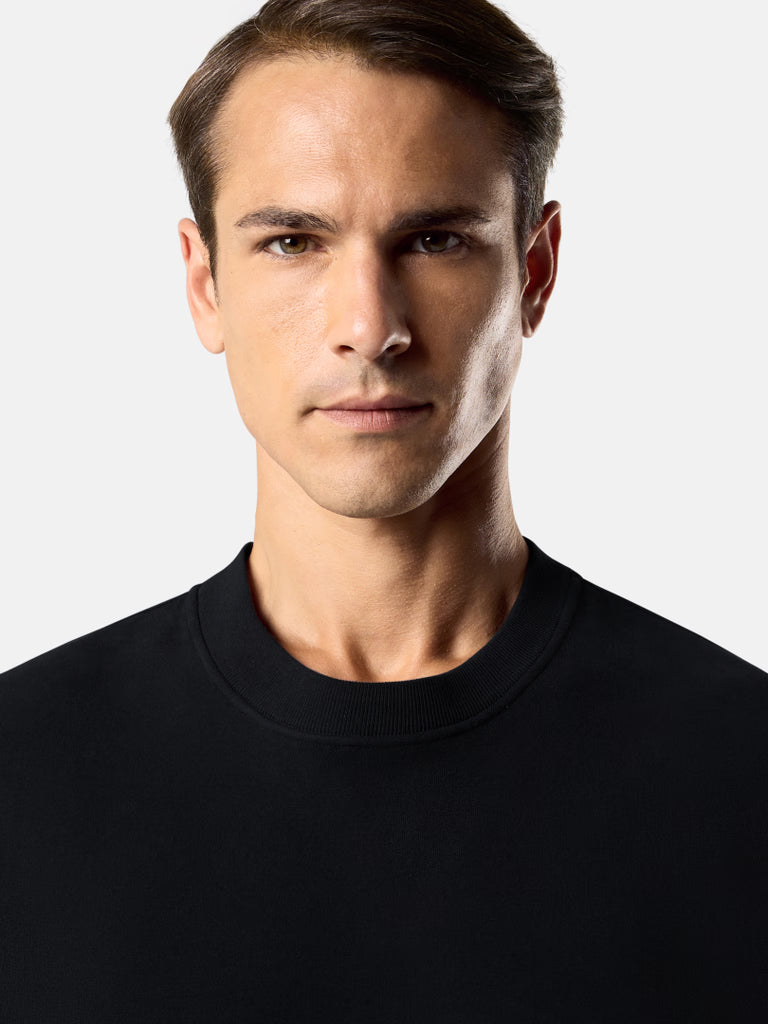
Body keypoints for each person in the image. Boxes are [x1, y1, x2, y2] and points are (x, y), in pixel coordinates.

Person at [1, 0, 766, 1019]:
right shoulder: (22, 774)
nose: (369, 326)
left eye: (435, 239)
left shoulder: (740, 769)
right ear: (204, 284)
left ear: (535, 271)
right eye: (292, 242)